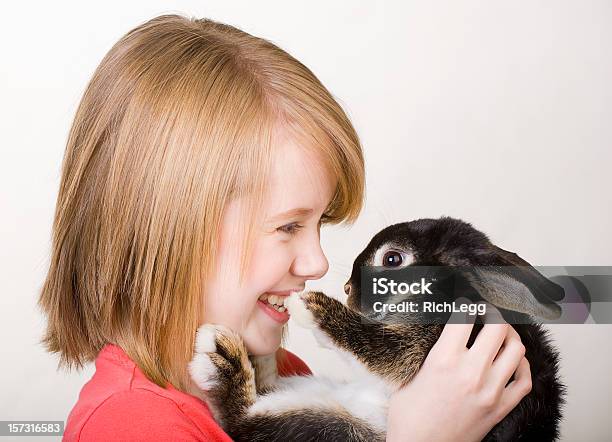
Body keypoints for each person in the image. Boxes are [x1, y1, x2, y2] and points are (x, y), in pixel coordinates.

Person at [38, 14, 532, 442]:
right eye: (288, 227)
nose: (317, 263)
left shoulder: (281, 379)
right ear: (169, 229)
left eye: (320, 224)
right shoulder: (129, 426)